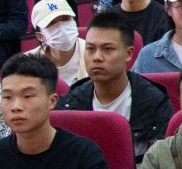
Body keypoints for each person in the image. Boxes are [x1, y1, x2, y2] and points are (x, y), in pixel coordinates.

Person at [56, 11, 172, 157]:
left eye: (107, 49)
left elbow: (159, 163)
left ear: (129, 54)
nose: (97, 57)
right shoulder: (70, 103)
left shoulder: (155, 102)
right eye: (90, 49)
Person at [31, 0, 87, 87]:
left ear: (74, 22)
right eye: (51, 23)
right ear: (40, 36)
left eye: (65, 19)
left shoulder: (93, 53)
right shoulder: (28, 63)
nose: (61, 28)